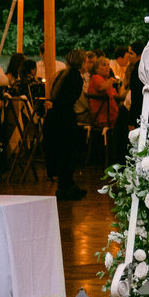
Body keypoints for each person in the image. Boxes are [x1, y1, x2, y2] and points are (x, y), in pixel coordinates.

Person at [44, 49, 88, 200]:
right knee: (68, 152)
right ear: (82, 62)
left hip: (55, 115)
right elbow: (70, 99)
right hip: (65, 116)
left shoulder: (62, 74)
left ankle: (67, 184)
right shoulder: (76, 77)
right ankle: (65, 186)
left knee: (63, 151)